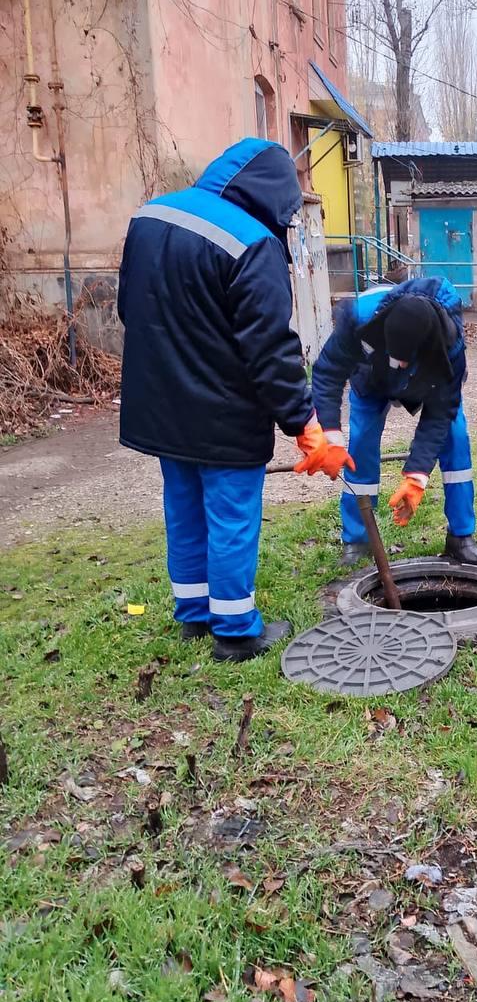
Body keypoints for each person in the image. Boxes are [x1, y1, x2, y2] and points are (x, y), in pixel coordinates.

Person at [118, 138, 338, 663]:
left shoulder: (150, 215)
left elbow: (130, 306)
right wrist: (304, 425)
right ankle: (236, 629)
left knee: (184, 506)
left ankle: (194, 615)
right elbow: (271, 350)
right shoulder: (252, 243)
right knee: (231, 514)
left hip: (162, 406)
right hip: (225, 413)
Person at [308, 275, 477, 568]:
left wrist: (417, 476)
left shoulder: (450, 344)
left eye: (404, 360)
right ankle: (358, 538)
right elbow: (327, 372)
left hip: (429, 380)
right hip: (370, 380)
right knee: (361, 446)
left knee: (455, 437)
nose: (399, 365)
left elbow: (440, 412)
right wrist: (329, 433)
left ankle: (461, 536)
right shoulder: (359, 317)